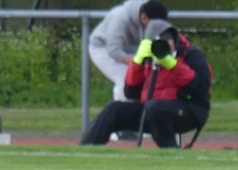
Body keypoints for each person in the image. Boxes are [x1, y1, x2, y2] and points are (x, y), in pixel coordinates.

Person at [81, 24, 212, 147]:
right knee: (113, 109)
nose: (165, 45)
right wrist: (137, 62)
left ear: (175, 40)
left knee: (155, 108)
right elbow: (130, 92)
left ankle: (170, 150)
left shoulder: (191, 55)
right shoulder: (149, 58)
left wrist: (173, 65)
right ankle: (85, 149)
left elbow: (202, 86)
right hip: (151, 110)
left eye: (167, 40)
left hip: (189, 110)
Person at [82, 0, 168, 143]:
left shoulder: (151, 12)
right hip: (102, 48)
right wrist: (138, 63)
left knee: (148, 79)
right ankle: (119, 130)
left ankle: (143, 123)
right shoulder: (120, 18)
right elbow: (114, 51)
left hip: (130, 49)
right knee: (125, 79)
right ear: (144, 18)